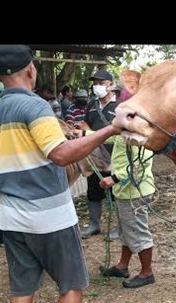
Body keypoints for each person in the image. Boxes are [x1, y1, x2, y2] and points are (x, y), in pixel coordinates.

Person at [0, 45, 120, 303]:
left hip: (12, 218)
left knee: (22, 292)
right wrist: (108, 131)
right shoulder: (35, 106)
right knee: (70, 286)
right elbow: (60, 154)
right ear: (30, 70)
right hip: (51, 217)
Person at [98, 83, 157, 288]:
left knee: (137, 231)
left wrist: (114, 178)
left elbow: (140, 164)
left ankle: (147, 272)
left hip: (135, 191)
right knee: (126, 230)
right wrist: (80, 136)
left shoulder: (142, 131)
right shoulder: (125, 130)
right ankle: (122, 266)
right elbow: (112, 140)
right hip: (126, 191)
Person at [73, 69, 118, 237]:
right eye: (95, 83)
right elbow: (86, 123)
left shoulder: (120, 105)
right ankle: (94, 224)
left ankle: (121, 227)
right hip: (94, 154)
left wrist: (88, 131)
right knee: (93, 189)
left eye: (101, 83)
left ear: (111, 85)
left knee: (116, 191)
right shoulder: (92, 105)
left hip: (115, 154)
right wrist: (80, 127)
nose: (96, 86)